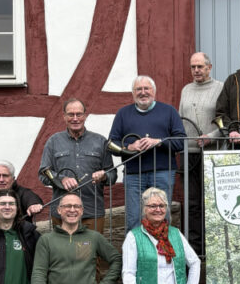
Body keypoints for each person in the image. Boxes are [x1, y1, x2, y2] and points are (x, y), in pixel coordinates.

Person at [109, 76, 186, 232]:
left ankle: (162, 248)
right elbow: (111, 144)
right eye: (139, 89)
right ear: (133, 93)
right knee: (134, 219)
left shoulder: (169, 111)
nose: (143, 92)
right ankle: (136, 248)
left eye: (146, 89)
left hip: (163, 173)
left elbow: (181, 141)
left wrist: (158, 142)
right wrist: (129, 146)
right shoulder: (123, 114)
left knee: (161, 218)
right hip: (133, 175)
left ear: (154, 92)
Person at [38, 97, 117, 231]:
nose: (75, 118)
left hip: (92, 211)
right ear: (64, 116)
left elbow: (113, 176)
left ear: (85, 116)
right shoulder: (53, 141)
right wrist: (62, 179)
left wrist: (104, 176)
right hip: (62, 212)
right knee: (62, 246)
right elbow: (43, 174)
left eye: (79, 114)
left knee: (91, 245)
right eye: (71, 114)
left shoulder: (100, 141)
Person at [177, 52, 223, 255]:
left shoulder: (220, 88)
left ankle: (214, 249)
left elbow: (226, 121)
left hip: (211, 153)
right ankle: (195, 249)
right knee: (192, 203)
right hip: (189, 154)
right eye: (193, 67)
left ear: (209, 67)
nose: (196, 70)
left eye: (200, 67)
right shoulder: (186, 89)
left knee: (212, 202)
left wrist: (211, 137)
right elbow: (181, 119)